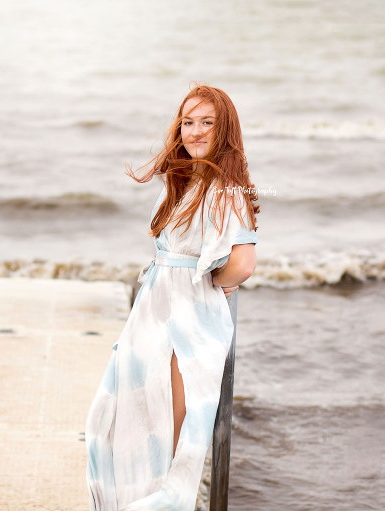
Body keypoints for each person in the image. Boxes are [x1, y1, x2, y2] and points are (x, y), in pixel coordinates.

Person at [84, 84, 259, 511]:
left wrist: (213, 280)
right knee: (128, 413)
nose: (195, 131)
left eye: (207, 123)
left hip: (188, 311)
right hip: (158, 303)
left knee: (170, 423)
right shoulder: (187, 180)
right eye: (188, 122)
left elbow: (244, 263)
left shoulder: (224, 187)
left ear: (225, 131)